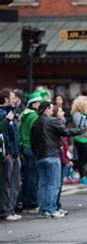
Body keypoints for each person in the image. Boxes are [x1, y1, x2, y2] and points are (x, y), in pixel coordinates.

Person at [31, 101, 82, 218]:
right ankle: (51, 209)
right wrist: (80, 130)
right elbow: (66, 132)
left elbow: (33, 142)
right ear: (47, 109)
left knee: (42, 184)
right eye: (51, 108)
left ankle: (43, 209)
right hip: (52, 155)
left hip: (40, 156)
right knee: (53, 184)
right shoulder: (51, 120)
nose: (52, 111)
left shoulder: (35, 123)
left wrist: (36, 154)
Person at [19, 91, 43, 212]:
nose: (40, 105)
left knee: (28, 177)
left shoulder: (25, 114)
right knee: (33, 178)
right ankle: (32, 203)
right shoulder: (34, 116)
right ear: (33, 104)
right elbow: (36, 134)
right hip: (31, 147)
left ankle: (26, 201)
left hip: (24, 146)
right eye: (39, 102)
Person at [0, 89, 22, 221]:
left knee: (15, 183)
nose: (15, 99)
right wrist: (6, 120)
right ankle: (5, 211)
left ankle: (11, 209)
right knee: (6, 183)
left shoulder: (12, 113)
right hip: (7, 155)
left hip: (15, 153)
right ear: (6, 99)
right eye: (12, 97)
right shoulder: (2, 114)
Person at [71, 95, 87, 186]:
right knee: (81, 160)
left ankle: (84, 175)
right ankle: (82, 176)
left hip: (86, 139)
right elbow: (82, 126)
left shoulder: (83, 114)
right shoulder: (77, 114)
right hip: (80, 139)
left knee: (86, 159)